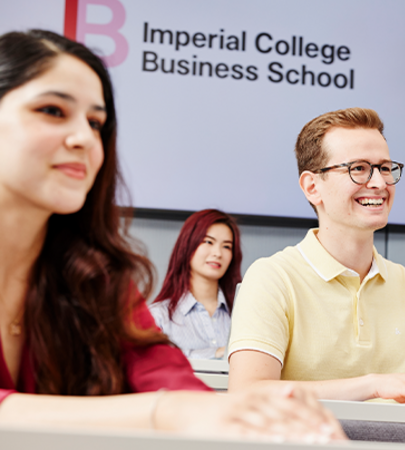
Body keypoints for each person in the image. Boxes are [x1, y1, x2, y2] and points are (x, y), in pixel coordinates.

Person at [0, 29, 343, 440]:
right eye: (53, 111)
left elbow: (163, 374)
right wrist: (165, 412)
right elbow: (172, 405)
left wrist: (256, 415)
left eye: (96, 123)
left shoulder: (95, 278)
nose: (84, 139)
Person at [227, 107, 405, 402]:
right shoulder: (273, 278)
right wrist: (373, 386)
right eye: (358, 168)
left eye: (384, 168)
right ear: (312, 186)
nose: (379, 183)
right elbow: (247, 393)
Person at [150, 209, 241, 359]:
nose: (217, 253)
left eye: (226, 246)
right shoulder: (158, 317)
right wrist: (218, 353)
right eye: (208, 242)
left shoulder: (242, 314)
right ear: (187, 246)